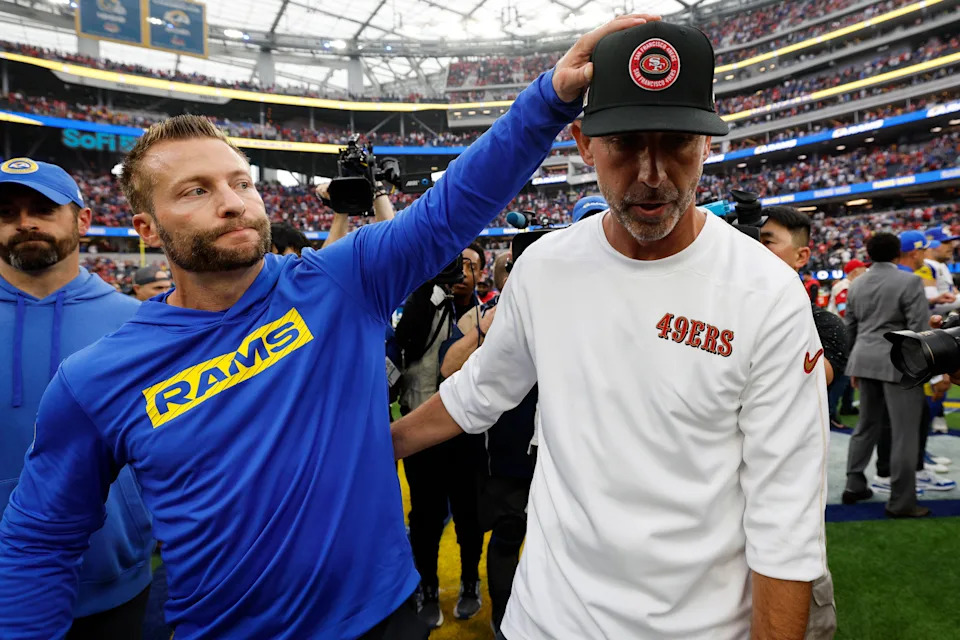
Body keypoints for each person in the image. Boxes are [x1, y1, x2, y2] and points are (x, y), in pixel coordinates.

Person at [0, 14, 653, 638]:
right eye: (195, 190)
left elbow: (452, 208)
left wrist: (550, 99)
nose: (231, 200)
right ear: (144, 228)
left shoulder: (339, 282)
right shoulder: (95, 379)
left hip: (389, 618)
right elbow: (41, 539)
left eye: (240, 182)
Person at [393, 21, 827, 639]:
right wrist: (378, 447)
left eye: (676, 143)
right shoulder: (544, 268)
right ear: (583, 143)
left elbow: (786, 522)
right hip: (546, 621)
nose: (652, 174)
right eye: (624, 142)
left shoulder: (768, 294)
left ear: (707, 145)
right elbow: (478, 392)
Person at [0, 158, 154, 638]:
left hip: (116, 581)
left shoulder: (140, 324)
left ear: (82, 220)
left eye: (43, 208)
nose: (25, 221)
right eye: (7, 212)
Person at [438, 247, 537, 636]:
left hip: (564, 455)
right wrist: (488, 326)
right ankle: (503, 623)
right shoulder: (482, 315)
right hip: (508, 458)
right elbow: (448, 367)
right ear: (496, 278)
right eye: (510, 269)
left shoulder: (571, 307)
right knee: (507, 538)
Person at [758, 206, 840, 639]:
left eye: (768, 241)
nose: (755, 248)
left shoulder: (824, 324)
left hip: (789, 510)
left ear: (802, 256)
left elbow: (815, 377)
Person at [395, 244, 486, 628]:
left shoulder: (490, 313)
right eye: (456, 262)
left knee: (469, 513)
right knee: (426, 515)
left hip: (469, 431)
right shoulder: (425, 300)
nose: (462, 271)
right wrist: (430, 292)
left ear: (481, 274)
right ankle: (428, 587)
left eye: (471, 265)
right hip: (422, 428)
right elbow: (406, 344)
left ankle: (470, 581)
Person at [842, 232, 933, 517]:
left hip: (864, 359)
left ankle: (854, 483)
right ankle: (902, 502)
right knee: (904, 433)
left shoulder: (857, 284)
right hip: (899, 363)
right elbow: (919, 329)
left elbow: (851, 327)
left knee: (866, 426)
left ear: (869, 254)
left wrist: (852, 367)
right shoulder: (910, 281)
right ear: (898, 254)